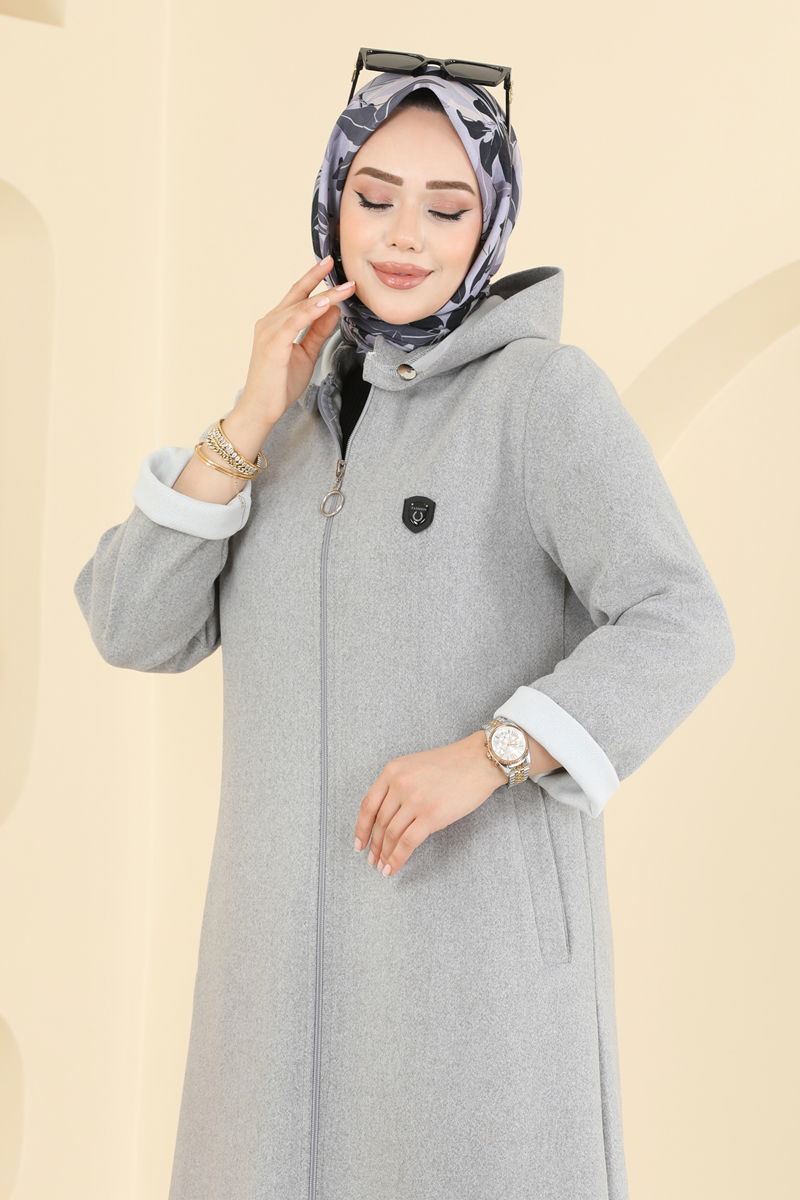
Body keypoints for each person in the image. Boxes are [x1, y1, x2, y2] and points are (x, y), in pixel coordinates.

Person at [73, 55, 736, 1200]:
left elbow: (680, 617)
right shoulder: (283, 423)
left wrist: (493, 752)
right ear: (330, 201)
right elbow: (133, 626)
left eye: (445, 208)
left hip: (467, 972)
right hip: (272, 985)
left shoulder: (540, 397)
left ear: (489, 225)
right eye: (373, 196)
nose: (402, 237)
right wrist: (246, 416)